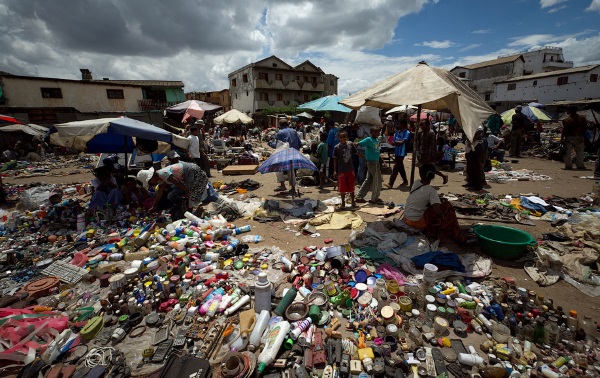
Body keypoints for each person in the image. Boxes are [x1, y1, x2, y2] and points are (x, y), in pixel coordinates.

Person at [400, 164, 466, 243]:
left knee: (438, 206)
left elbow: (422, 198)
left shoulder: (416, 183)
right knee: (447, 206)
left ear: (421, 174)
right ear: (433, 176)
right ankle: (457, 235)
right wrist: (444, 218)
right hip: (416, 223)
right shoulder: (432, 191)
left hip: (406, 219)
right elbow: (438, 212)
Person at [137, 161, 217, 219]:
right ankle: (188, 213)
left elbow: (178, 183)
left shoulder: (162, 174)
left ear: (152, 177)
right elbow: (159, 193)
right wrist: (154, 206)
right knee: (175, 195)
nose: (152, 184)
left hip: (192, 172)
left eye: (150, 182)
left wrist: (187, 192)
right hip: (187, 175)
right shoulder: (160, 178)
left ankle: (188, 214)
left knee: (188, 196)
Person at [355, 126, 383, 204]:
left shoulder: (376, 140)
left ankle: (359, 196)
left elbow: (376, 151)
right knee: (377, 180)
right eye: (375, 132)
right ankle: (374, 198)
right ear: (371, 133)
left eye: (377, 132)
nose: (376, 134)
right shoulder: (369, 139)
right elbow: (358, 144)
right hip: (372, 162)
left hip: (375, 162)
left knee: (369, 179)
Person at [414, 119, 448, 184]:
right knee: (421, 167)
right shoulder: (421, 133)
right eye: (420, 125)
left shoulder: (431, 133)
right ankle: (423, 180)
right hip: (421, 154)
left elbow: (432, 146)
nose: (421, 126)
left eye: (422, 125)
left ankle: (441, 177)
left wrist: (430, 156)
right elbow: (418, 142)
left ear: (427, 125)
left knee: (429, 169)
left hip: (428, 155)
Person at [333, 130, 359, 210]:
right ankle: (343, 203)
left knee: (351, 187)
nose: (343, 138)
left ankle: (353, 202)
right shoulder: (336, 147)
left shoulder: (350, 144)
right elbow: (335, 159)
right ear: (338, 138)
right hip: (341, 171)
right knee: (342, 188)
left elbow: (356, 152)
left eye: (344, 137)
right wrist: (334, 170)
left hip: (350, 169)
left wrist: (364, 158)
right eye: (341, 137)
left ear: (347, 137)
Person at [274, 118, 301, 192]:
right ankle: (293, 188)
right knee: (292, 170)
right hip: (294, 152)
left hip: (284, 153)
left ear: (280, 125)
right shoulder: (294, 131)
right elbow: (299, 143)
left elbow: (278, 145)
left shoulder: (280, 133)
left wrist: (270, 144)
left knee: (279, 168)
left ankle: (282, 185)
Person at [387, 118, 410, 188]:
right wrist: (397, 142)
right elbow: (393, 142)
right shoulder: (397, 132)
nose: (398, 125)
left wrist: (396, 142)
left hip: (402, 153)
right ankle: (405, 181)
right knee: (400, 167)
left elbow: (402, 142)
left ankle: (391, 183)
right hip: (396, 151)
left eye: (399, 124)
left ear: (403, 125)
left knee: (396, 167)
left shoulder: (407, 133)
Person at [464, 127, 485, 191]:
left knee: (475, 167)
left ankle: (477, 185)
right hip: (471, 145)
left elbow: (479, 131)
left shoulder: (477, 125)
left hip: (476, 144)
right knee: (470, 167)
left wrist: (472, 139)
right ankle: (471, 183)